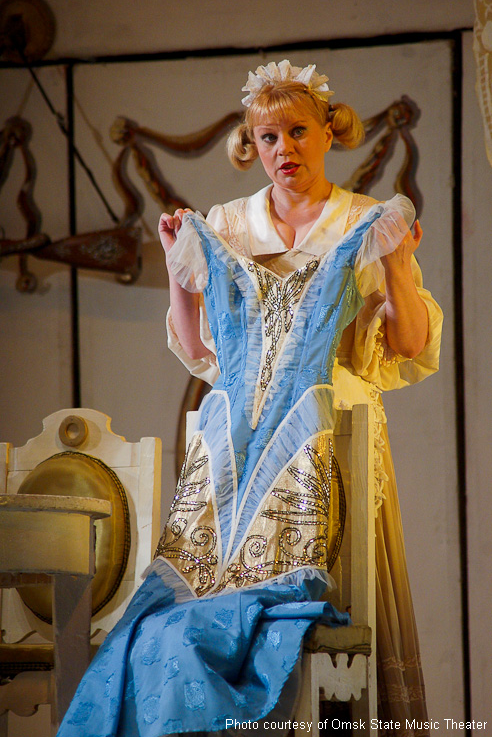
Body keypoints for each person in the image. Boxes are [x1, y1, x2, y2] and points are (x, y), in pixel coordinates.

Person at [57, 60, 442, 737]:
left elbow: (409, 343)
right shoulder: (229, 224)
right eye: (268, 138)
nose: (284, 149)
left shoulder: (364, 218)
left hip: (338, 433)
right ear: (252, 144)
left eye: (298, 132)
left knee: (351, 601)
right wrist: (178, 269)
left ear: (329, 133)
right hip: (247, 438)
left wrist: (399, 262)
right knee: (195, 613)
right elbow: (202, 352)